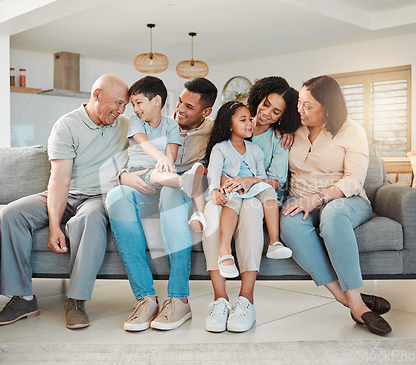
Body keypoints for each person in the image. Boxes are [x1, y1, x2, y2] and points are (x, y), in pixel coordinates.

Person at [0, 74, 130, 329]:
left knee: (89, 218)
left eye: (124, 105)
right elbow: (60, 180)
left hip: (97, 197)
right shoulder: (67, 126)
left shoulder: (126, 125)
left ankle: (76, 300)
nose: (120, 110)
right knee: (11, 213)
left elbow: (159, 127)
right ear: (96, 95)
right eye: (117, 103)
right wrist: (54, 227)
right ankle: (23, 298)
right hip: (67, 191)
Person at [280, 75, 392, 336]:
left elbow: (354, 179)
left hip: (345, 199)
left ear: (327, 108)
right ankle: (348, 300)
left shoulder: (352, 129)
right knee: (290, 223)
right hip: (299, 197)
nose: (300, 110)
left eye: (308, 106)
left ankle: (356, 304)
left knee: (332, 216)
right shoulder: (292, 128)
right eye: (299, 102)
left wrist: (318, 198)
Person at [105, 78, 218, 332]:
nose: (179, 109)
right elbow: (131, 153)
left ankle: (179, 299)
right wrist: (124, 177)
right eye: (179, 101)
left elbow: (243, 129)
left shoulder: (213, 129)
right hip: (145, 181)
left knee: (171, 192)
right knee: (115, 197)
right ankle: (145, 298)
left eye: (189, 106)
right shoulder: (148, 122)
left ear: (206, 111)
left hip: (174, 189)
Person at [203, 76, 300, 333]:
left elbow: (277, 181)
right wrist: (223, 183)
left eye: (276, 111)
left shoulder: (279, 139)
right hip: (227, 192)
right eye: (266, 103)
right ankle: (220, 299)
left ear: (282, 117)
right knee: (214, 211)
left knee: (253, 209)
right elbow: (211, 165)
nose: (265, 113)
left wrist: (250, 180)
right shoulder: (231, 123)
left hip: (258, 195)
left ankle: (246, 300)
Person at [206, 101, 291, 280]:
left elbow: (261, 176)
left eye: (250, 119)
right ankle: (225, 251)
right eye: (243, 120)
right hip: (231, 187)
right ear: (229, 125)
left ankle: (275, 243)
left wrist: (256, 183)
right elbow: (213, 171)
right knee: (234, 200)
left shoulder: (255, 149)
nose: (249, 123)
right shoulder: (220, 148)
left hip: (252, 186)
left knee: (268, 190)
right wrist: (215, 190)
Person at [124, 76, 205, 229]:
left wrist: (167, 163)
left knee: (197, 177)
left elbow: (172, 150)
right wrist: (161, 159)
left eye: (139, 103)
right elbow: (143, 142)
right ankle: (184, 182)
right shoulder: (135, 121)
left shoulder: (171, 124)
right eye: (133, 104)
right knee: (160, 174)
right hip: (141, 172)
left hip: (164, 172)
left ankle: (199, 214)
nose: (135, 108)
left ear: (156, 101)